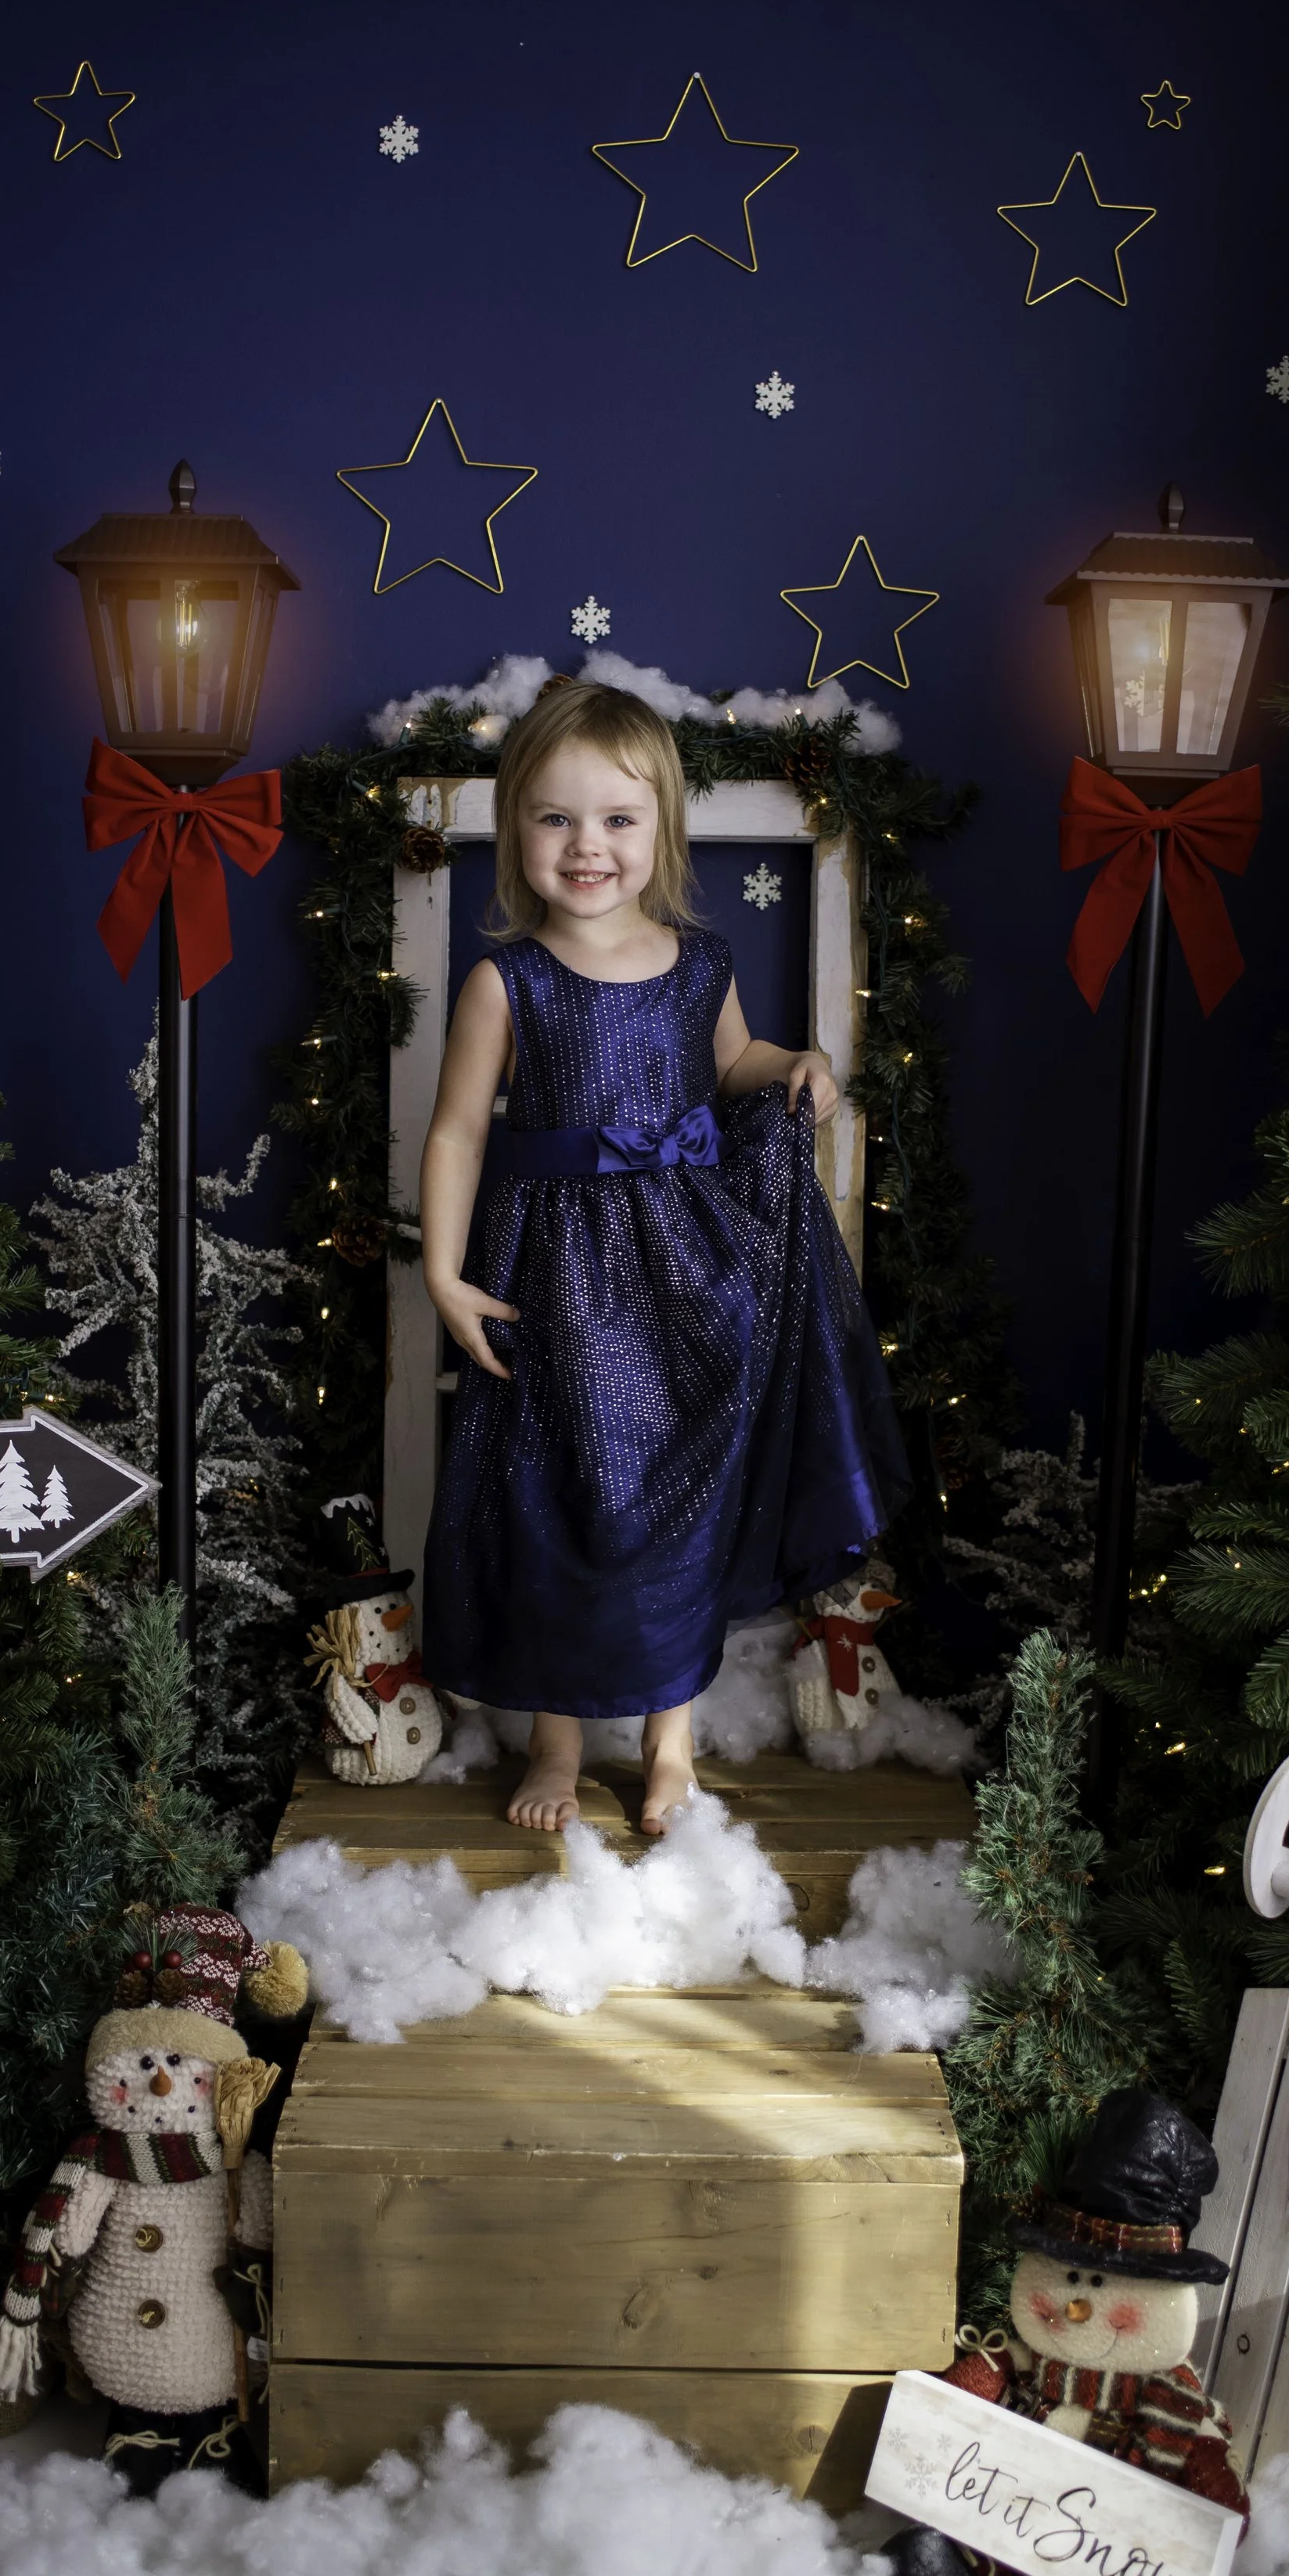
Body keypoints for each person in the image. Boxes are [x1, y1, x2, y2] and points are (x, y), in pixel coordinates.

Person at [419, 678, 910, 1833]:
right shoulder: (507, 982)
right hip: (558, 1278)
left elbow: (733, 1064)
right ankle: (556, 1741)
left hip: (689, 1273)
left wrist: (796, 1063)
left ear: (662, 830)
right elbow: (456, 1133)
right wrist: (444, 1275)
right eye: (555, 818)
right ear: (515, 827)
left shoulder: (700, 963)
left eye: (617, 819)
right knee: (566, 1498)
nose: (586, 846)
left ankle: (670, 1744)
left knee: (682, 1502)